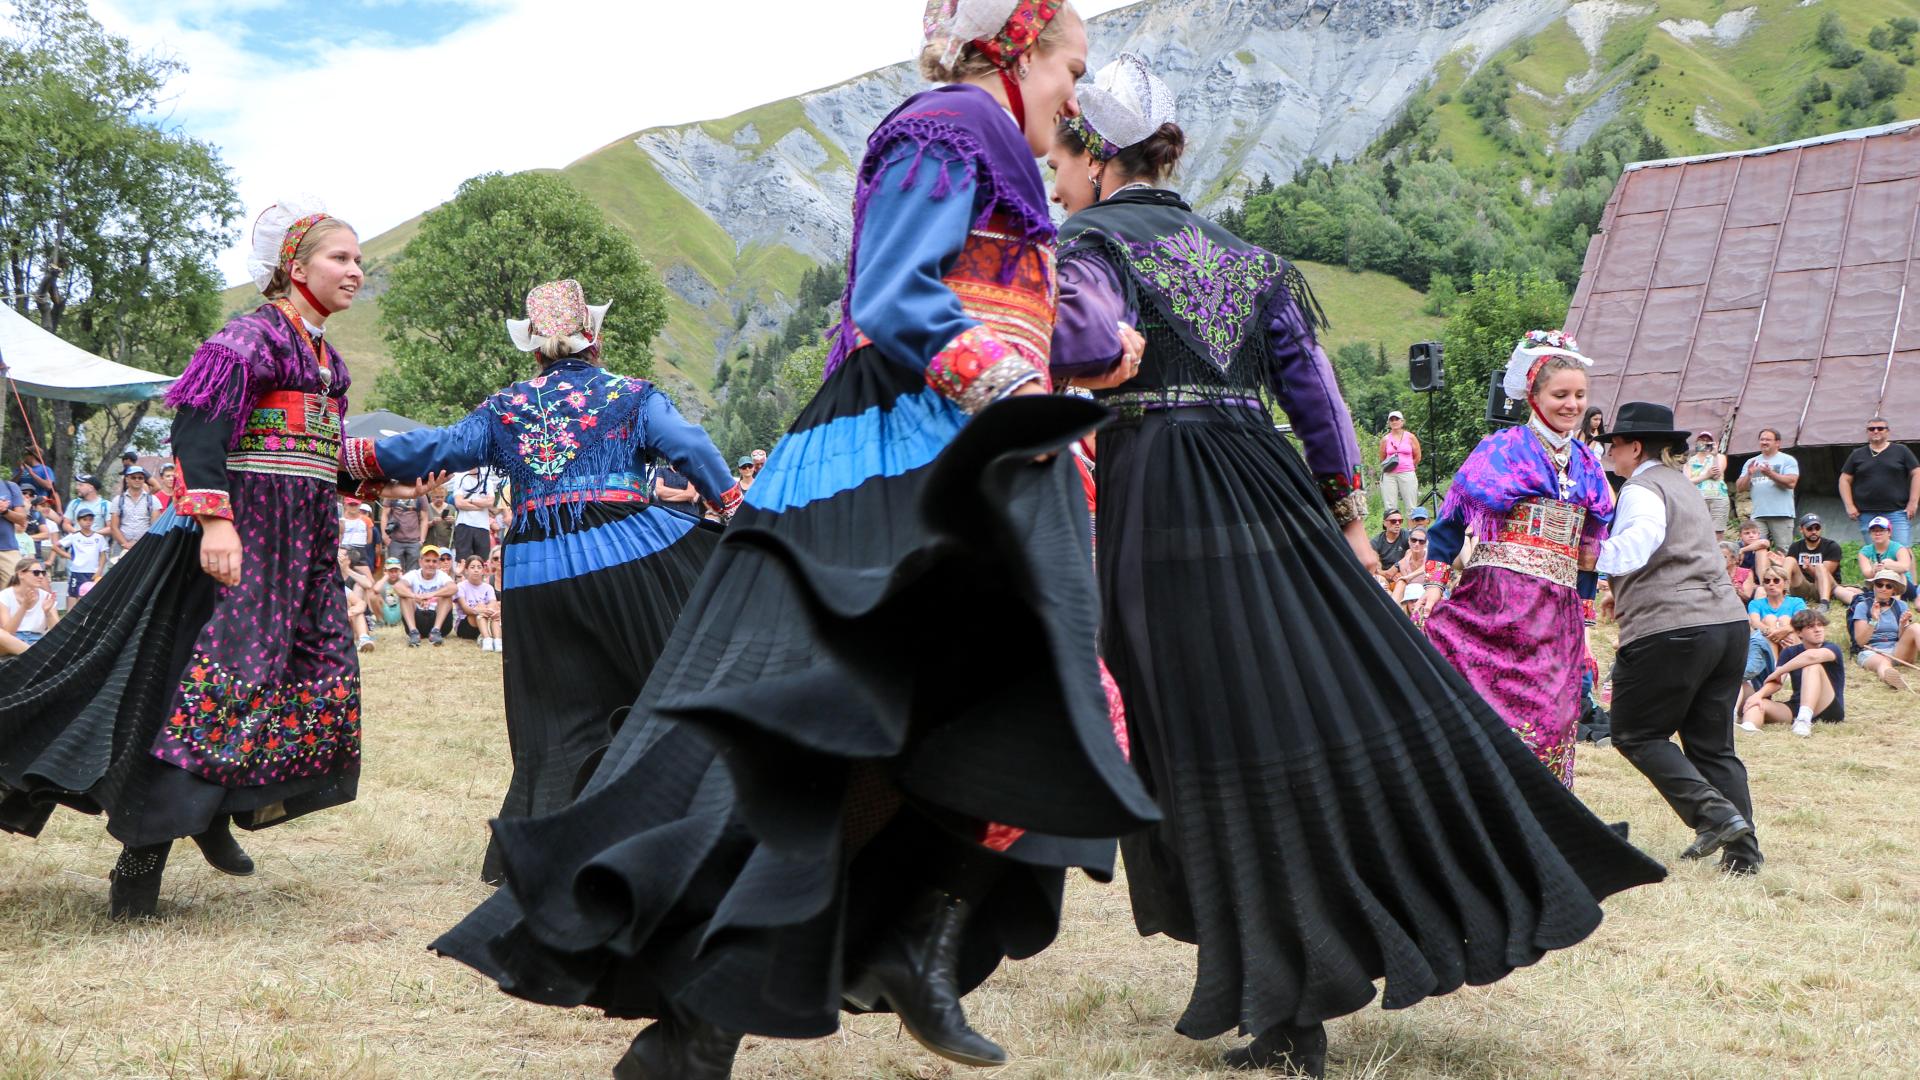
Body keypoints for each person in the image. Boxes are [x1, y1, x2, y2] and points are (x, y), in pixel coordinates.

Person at [432, 10, 1163, 1077]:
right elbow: (893, 292)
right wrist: (1006, 386)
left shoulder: (1003, 157)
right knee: (884, 722)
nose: (1077, 95)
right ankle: (780, 984)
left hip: (974, 448)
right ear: (1015, 50)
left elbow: (1008, 303)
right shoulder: (951, 123)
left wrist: (1077, 349)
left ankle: (887, 945)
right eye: (1071, 67)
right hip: (916, 447)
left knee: (974, 717)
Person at [1046, 57, 1662, 1077]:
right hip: (1267, 487)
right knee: (1298, 710)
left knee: (1200, 736)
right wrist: (1349, 523)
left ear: (1100, 156)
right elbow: (1321, 404)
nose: (1059, 178)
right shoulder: (1251, 258)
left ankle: (1286, 991)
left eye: (1065, 160)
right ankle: (1295, 991)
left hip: (1160, 495)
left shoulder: (1089, 242)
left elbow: (1079, 340)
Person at [0, 197, 369, 918]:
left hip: (302, 549)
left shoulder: (327, 359)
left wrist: (368, 472)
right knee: (207, 690)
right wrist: (217, 525)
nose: (355, 271)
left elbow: (304, 453)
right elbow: (198, 432)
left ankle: (216, 811)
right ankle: (144, 857)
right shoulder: (248, 339)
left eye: (358, 258)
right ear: (296, 268)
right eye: (341, 258)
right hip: (238, 543)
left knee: (305, 678)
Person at [340, 277, 739, 884]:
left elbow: (432, 449)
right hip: (628, 555)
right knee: (669, 688)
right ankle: (692, 831)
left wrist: (333, 455)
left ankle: (543, 852)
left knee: (555, 712)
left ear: (535, 349)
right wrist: (736, 511)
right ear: (594, 338)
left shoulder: (504, 408)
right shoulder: (632, 395)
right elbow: (691, 447)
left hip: (536, 572)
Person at [1421, 331, 1614, 786]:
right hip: (1496, 600)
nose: (1572, 404)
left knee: (1554, 713)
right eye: (1560, 394)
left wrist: (1585, 626)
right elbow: (1449, 525)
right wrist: (1432, 586)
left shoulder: (1587, 464)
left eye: (1580, 395)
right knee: (1481, 703)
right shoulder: (1502, 450)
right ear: (1534, 394)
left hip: (1556, 612)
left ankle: (1540, 813)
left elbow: (1588, 557)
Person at [1597, 402, 1762, 875]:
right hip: (1728, 625)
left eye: (1614, 446)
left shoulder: (1641, 488)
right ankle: (1743, 855)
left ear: (1634, 446)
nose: (1612, 455)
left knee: (1635, 733)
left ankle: (1714, 815)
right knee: (1712, 746)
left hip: (1676, 626)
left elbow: (1639, 543)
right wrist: (1624, 589)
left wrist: (1590, 556)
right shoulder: (1684, 486)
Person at [1740, 609, 1843, 736]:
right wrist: (1759, 695)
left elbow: (1811, 657)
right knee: (1758, 704)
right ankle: (1748, 729)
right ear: (1799, 632)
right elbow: (1776, 682)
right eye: (1811, 627)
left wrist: (1781, 670)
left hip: (1828, 707)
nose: (1818, 630)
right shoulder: (1789, 652)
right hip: (1796, 706)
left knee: (1812, 667)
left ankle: (1804, 720)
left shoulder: (1832, 648)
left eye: (1820, 625)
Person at [1838, 418, 1918, 548]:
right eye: (1871, 429)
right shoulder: (1857, 454)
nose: (1876, 431)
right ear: (1867, 432)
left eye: (1880, 428)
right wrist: (1849, 505)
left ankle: (1908, 570)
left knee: (1902, 550)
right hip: (1867, 513)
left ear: (1888, 431)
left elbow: (1917, 473)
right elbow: (1844, 479)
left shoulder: (1901, 451)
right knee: (1876, 553)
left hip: (1897, 511)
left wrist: (1913, 502)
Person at [1849, 568, 1920, 691]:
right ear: (1874, 586)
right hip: (1873, 651)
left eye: (1888, 586)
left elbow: (1902, 637)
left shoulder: (1901, 605)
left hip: (1897, 650)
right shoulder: (1863, 606)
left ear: (1894, 590)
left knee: (1915, 627)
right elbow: (1861, 642)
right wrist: (1874, 620)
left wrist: (1903, 624)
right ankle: (1892, 679)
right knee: (1883, 662)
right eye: (1879, 584)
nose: (1883, 588)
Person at [1735, 427, 1798, 553]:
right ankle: (1760, 573)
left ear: (1777, 443)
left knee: (1783, 551)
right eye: (1762, 439)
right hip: (1758, 514)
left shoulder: (1787, 460)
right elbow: (1740, 488)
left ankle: (1782, 573)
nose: (1764, 442)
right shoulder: (1751, 462)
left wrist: (1770, 474)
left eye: (1768, 439)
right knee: (1757, 550)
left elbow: (1791, 483)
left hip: (1781, 513)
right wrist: (1749, 474)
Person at [1784, 513, 1854, 610]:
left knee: (1820, 566)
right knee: (1789, 560)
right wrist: (1780, 564)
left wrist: (1809, 569)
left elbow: (1825, 575)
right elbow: (1792, 572)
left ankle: (1824, 604)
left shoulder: (1831, 546)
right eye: (1810, 528)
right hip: (1802, 586)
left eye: (1817, 528)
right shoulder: (1795, 547)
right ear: (1801, 529)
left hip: (1824, 587)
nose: (1814, 532)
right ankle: (1783, 594)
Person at [397, 546, 457, 646]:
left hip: (439, 621)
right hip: (417, 620)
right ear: (420, 562)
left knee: (446, 595)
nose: (431, 564)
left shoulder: (442, 575)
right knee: (404, 595)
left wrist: (431, 594)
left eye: (434, 561)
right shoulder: (413, 574)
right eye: (427, 560)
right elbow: (398, 586)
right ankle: (413, 632)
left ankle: (435, 631)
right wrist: (415, 596)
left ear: (438, 563)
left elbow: (454, 588)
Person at [0, 561, 59, 653]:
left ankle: (31, 653)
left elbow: (58, 633)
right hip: (12, 641)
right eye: (36, 572)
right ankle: (33, 654)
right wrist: (24, 607)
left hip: (37, 640)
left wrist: (48, 613)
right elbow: (8, 633)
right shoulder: (4, 596)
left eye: (43, 573)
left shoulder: (46, 597)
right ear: (21, 574)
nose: (41, 576)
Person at [53, 510, 111, 601]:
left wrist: (99, 570)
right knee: (74, 595)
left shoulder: (98, 537)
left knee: (93, 596)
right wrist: (68, 556)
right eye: (85, 519)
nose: (88, 522)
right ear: (79, 521)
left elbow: (103, 554)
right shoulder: (74, 536)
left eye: (90, 519)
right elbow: (56, 546)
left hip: (93, 572)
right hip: (78, 571)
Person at [1857, 515, 1917, 602]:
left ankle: (1896, 603)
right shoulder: (1865, 551)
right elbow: (1867, 574)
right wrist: (1874, 570)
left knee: (1895, 572)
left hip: (1904, 587)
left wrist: (1887, 565)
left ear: (1889, 533)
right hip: (1879, 584)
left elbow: (1905, 567)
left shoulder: (1899, 548)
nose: (1877, 533)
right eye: (1874, 531)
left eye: (1881, 530)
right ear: (1870, 534)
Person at [108, 466, 163, 557]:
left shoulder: (153, 500)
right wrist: (125, 544)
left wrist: (139, 543)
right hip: (121, 548)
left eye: (140, 478)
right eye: (133, 477)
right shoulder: (118, 500)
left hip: (145, 547)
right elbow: (114, 526)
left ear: (144, 480)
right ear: (127, 479)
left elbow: (155, 526)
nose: (137, 480)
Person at [1683, 430, 1730, 538]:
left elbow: (1717, 474)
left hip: (1718, 497)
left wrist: (1714, 455)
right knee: (1697, 530)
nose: (1704, 442)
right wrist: (1706, 475)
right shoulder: (1689, 460)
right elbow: (1687, 481)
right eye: (1701, 440)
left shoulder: (1720, 457)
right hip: (1697, 498)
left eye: (1707, 441)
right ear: (1696, 443)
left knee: (1718, 533)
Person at [453, 555, 501, 651]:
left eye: (479, 567)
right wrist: (479, 610)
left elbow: (493, 603)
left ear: (483, 570)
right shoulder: (461, 586)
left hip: (485, 620)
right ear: (466, 570)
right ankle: (487, 639)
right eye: (472, 567)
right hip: (466, 624)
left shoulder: (488, 587)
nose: (476, 570)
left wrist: (488, 610)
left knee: (494, 611)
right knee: (481, 607)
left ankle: (497, 641)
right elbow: (465, 609)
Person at [1378, 409, 1421, 513]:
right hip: (1389, 474)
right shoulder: (1385, 439)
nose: (1394, 422)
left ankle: (1412, 529)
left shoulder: (1410, 437)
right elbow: (1382, 457)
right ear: (1389, 423)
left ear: (1402, 421)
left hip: (1407, 472)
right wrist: (1391, 466)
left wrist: (1409, 466)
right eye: (1391, 420)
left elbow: (1418, 456)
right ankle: (1393, 528)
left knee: (1411, 506)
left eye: (1397, 419)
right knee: (1390, 507)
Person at [450, 468, 496, 562]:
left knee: (482, 561)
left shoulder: (488, 481)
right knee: (462, 560)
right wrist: (480, 505)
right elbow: (459, 503)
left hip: (483, 525)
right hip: (464, 523)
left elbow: (490, 502)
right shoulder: (460, 478)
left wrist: (470, 501)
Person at [337, 547, 376, 652]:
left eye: (341, 555)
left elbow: (368, 584)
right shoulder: (332, 577)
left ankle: (362, 638)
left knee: (358, 588)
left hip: (357, 615)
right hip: (343, 616)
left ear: (348, 560)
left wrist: (347, 570)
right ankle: (360, 638)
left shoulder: (355, 574)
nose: (337, 556)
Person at [0, 473, 25, 587]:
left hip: (8, 549)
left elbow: (22, 520)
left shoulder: (10, 487)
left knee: (15, 589)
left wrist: (5, 511)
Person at [376, 558, 406, 628]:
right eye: (391, 571)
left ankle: (405, 621)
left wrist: (402, 578)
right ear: (385, 571)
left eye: (396, 571)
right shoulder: (382, 582)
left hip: (400, 610)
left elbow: (411, 591)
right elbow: (375, 590)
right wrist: (385, 577)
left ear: (400, 571)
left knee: (408, 596)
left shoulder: (403, 581)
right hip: (386, 610)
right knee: (374, 595)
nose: (394, 574)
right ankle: (380, 621)